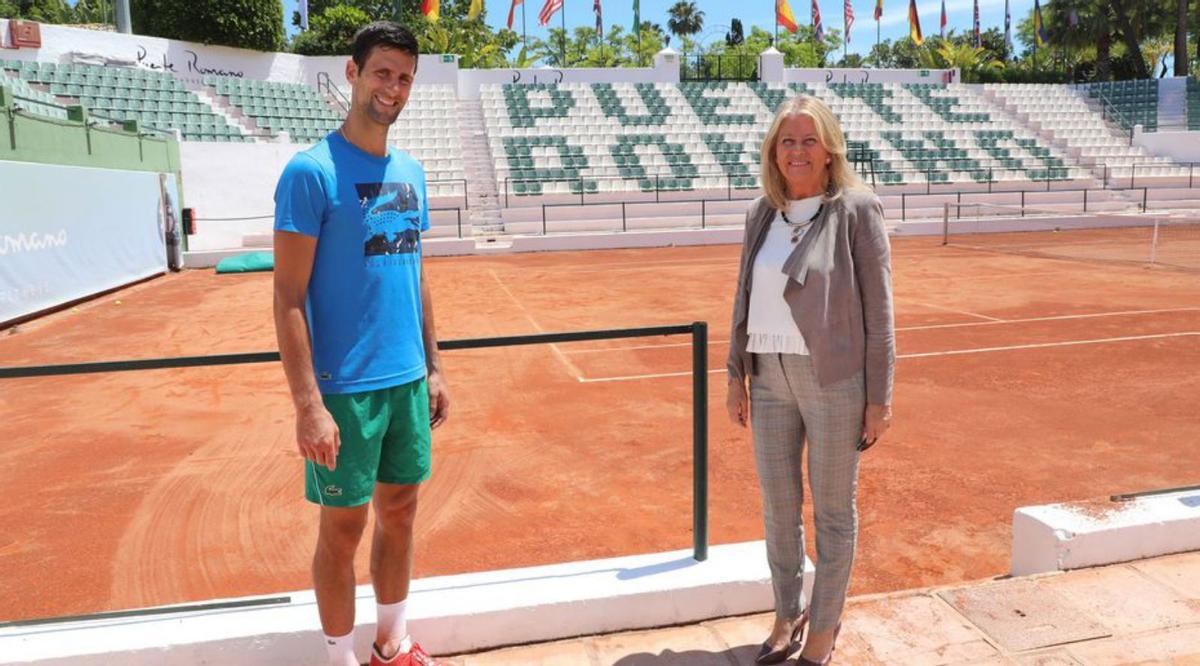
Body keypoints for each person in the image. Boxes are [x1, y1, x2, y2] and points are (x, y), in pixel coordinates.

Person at [272, 21, 448, 666]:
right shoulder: (310, 172)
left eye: (403, 76)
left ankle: (392, 644)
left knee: (399, 513)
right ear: (352, 73)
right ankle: (338, 659)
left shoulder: (409, 170)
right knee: (342, 530)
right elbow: (288, 295)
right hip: (345, 389)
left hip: (405, 380)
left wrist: (433, 366)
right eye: (381, 72)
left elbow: (414, 270)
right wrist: (307, 405)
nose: (392, 87)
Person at [725, 95, 895, 666]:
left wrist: (880, 400)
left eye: (808, 141)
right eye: (786, 141)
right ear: (773, 151)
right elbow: (743, 298)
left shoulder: (856, 209)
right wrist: (735, 376)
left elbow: (880, 311)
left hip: (833, 379)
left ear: (829, 151)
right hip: (768, 374)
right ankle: (785, 613)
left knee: (831, 511)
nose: (796, 151)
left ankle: (823, 629)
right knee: (778, 507)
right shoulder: (760, 213)